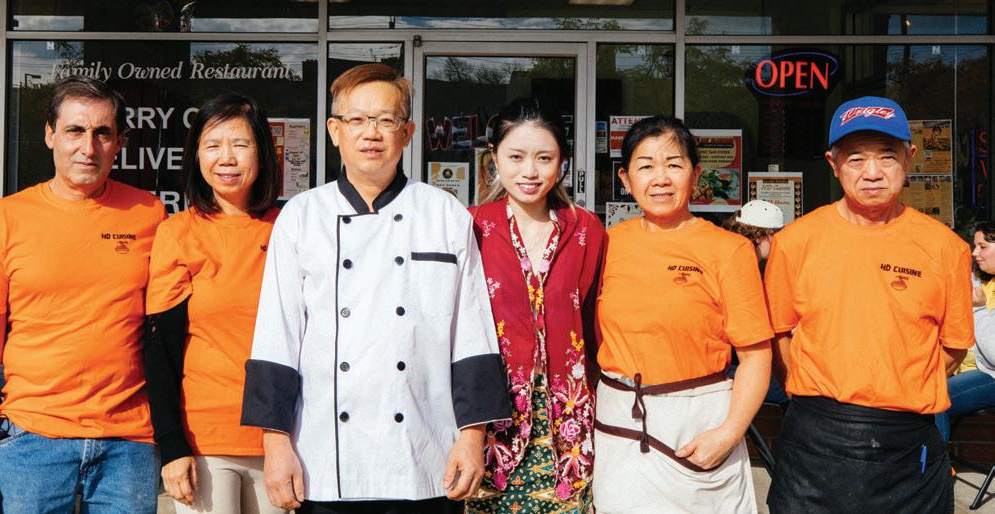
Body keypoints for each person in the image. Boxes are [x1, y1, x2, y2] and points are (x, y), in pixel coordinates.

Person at [240, 63, 512, 514]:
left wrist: (472, 436)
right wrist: (276, 443)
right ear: (334, 131)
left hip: (425, 454)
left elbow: (472, 331)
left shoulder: (444, 214)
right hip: (324, 460)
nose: (371, 133)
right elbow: (277, 335)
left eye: (386, 120)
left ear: (407, 133)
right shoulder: (302, 217)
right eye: (357, 119)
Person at [0, 75, 166, 514]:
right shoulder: (3, 220)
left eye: (102, 133)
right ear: (50, 134)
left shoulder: (149, 213)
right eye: (74, 130)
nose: (88, 147)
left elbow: (167, 333)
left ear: (120, 142)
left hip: (128, 444)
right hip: (32, 441)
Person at [764, 96, 972, 513]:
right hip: (814, 438)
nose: (872, 172)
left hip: (907, 441)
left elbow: (953, 346)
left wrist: (894, 382)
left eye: (887, 156)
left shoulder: (946, 248)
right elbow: (778, 335)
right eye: (856, 158)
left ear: (909, 157)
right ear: (833, 163)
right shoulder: (794, 243)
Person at [593, 116, 772, 513]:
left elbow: (757, 356)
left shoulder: (729, 250)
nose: (660, 178)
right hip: (619, 426)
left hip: (699, 427)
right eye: (645, 166)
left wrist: (729, 433)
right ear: (625, 179)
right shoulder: (607, 244)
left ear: (696, 175)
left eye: (674, 164)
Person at [143, 94, 284, 514]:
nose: (226, 158)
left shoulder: (290, 227)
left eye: (240, 144)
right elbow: (160, 349)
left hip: (281, 436)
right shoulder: (178, 232)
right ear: (196, 155)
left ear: (262, 152)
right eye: (213, 145)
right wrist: (171, 446)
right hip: (204, 439)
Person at [464, 98, 606, 513]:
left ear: (562, 162)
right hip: (491, 419)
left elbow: (595, 322)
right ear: (494, 157)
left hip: (569, 421)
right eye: (516, 157)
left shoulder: (586, 229)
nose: (530, 171)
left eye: (544, 158)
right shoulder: (471, 226)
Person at [721, 200, 789, 406]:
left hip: (730, 363)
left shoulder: (732, 258)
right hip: (734, 367)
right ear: (761, 236)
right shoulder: (744, 266)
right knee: (797, 392)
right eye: (777, 235)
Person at [934, 221, 995, 440]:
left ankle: (937, 460)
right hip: (962, 369)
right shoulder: (976, 279)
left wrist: (977, 309)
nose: (974, 253)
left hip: (990, 375)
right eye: (974, 246)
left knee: (935, 396)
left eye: (983, 246)